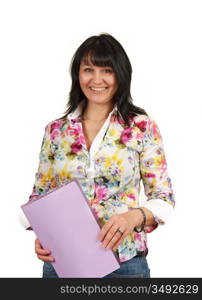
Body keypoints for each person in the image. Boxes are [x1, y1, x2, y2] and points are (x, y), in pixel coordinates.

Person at [20, 33, 175, 278]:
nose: (97, 79)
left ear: (120, 74)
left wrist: (133, 216)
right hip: (62, 263)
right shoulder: (56, 131)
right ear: (77, 75)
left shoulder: (142, 127)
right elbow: (40, 196)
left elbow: (163, 198)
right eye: (88, 69)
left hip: (125, 265)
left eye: (107, 70)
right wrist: (42, 233)